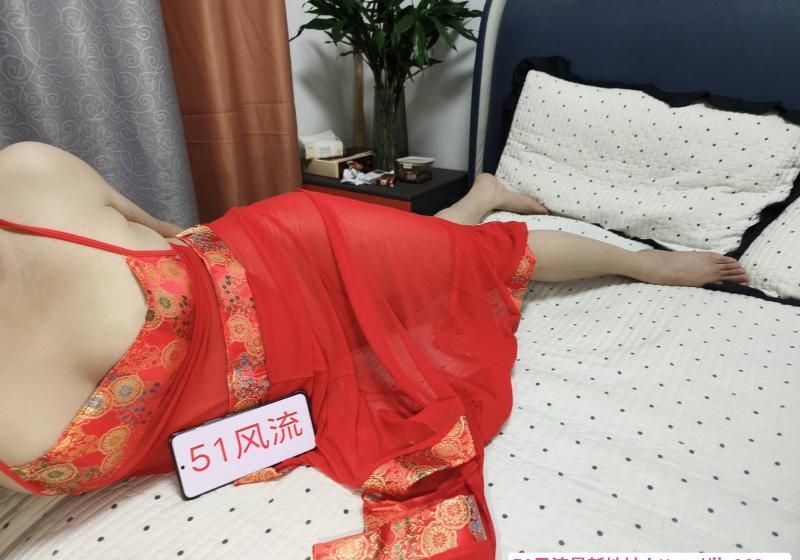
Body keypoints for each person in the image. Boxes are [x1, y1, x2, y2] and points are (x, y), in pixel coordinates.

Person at [0, 141, 747, 558]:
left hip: (281, 255)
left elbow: (179, 237)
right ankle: (478, 197)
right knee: (410, 276)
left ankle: (641, 261)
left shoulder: (28, 173)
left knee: (468, 262)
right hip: (266, 389)